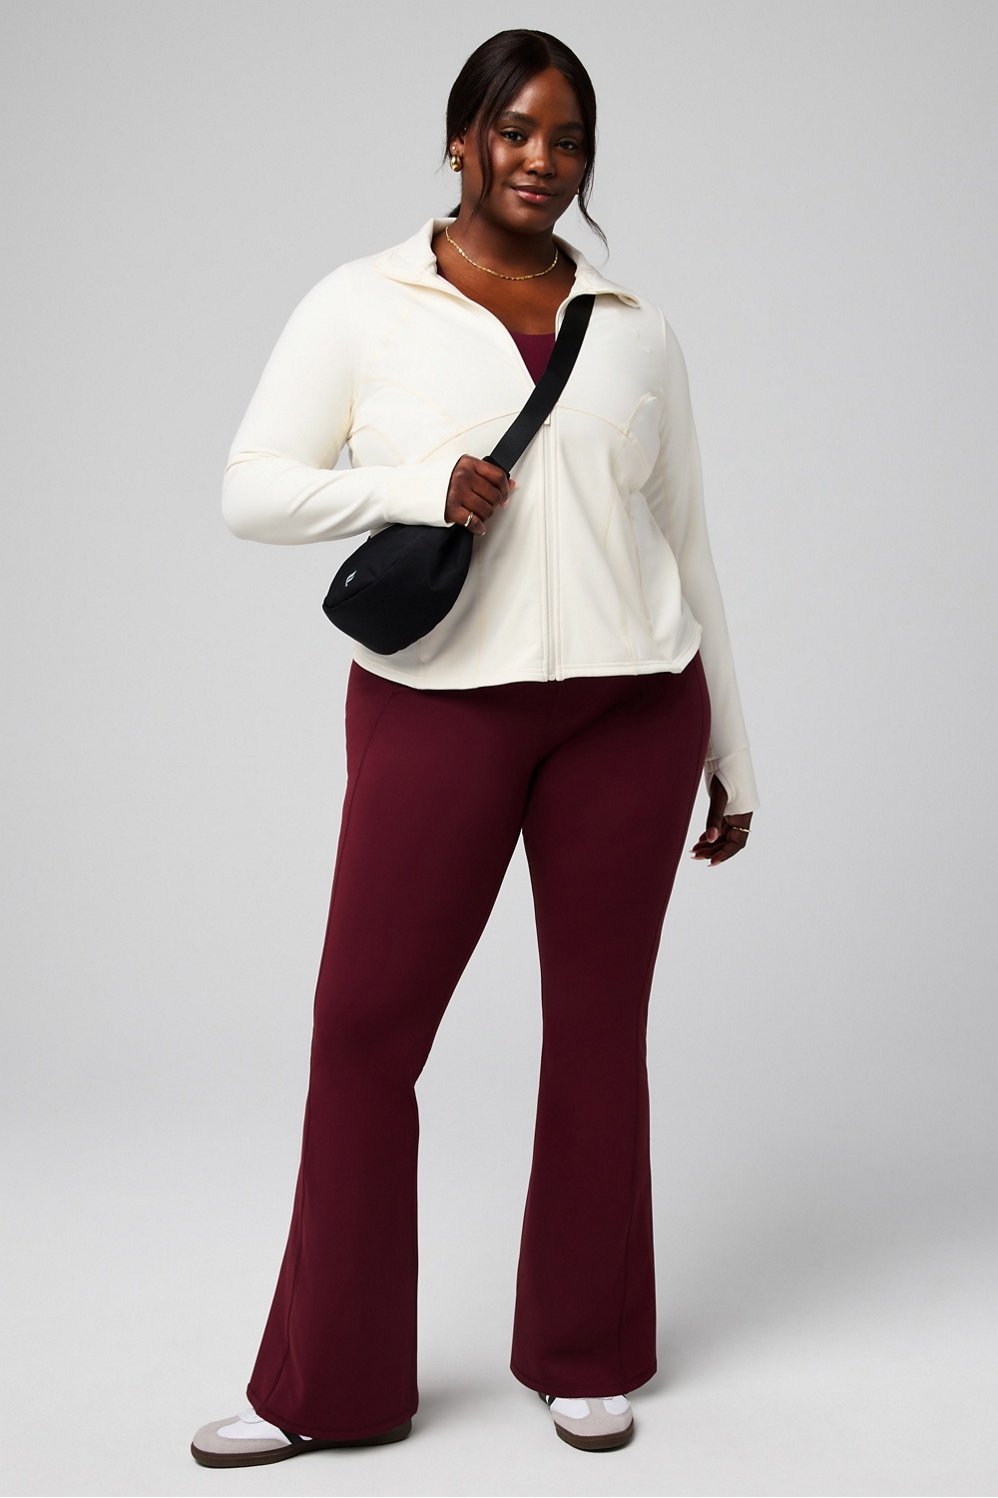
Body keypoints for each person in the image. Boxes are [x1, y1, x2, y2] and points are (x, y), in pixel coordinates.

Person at [191, 27, 759, 1468]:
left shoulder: (634, 326)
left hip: (632, 709)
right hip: (438, 704)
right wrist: (411, 487)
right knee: (364, 1032)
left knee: (597, 1031)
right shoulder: (361, 303)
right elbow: (251, 488)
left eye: (567, 139)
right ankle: (323, 1386)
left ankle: (586, 1351)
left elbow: (687, 543)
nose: (540, 160)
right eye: (513, 130)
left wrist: (732, 752)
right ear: (459, 139)